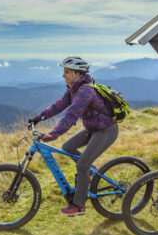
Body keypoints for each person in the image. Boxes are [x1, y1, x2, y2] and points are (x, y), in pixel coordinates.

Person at [28, 56, 118, 216]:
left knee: (81, 165)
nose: (63, 75)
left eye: (67, 72)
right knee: (67, 146)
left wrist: (53, 135)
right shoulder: (74, 89)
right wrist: (38, 118)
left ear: (77, 74)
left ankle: (79, 205)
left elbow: (70, 115)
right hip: (92, 129)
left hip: (106, 130)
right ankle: (91, 170)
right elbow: (58, 106)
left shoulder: (86, 91)